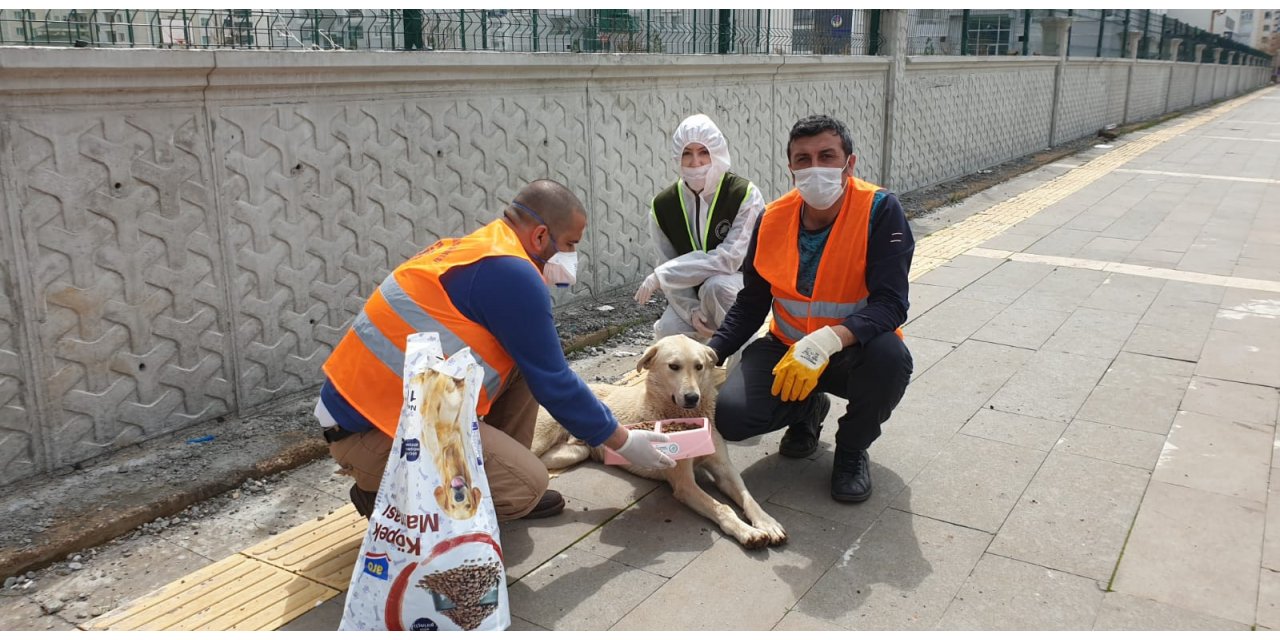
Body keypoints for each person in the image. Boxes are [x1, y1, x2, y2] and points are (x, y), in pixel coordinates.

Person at [316, 180, 676, 521]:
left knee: (523, 364)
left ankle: (503, 472)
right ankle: (394, 492)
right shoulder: (514, 274)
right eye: (570, 244)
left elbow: (541, 367)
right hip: (372, 435)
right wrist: (623, 441)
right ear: (540, 236)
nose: (572, 256)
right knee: (528, 486)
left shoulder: (485, 248)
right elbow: (556, 384)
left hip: (380, 414)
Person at [707, 115, 914, 504]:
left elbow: (891, 304)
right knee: (732, 418)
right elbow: (752, 302)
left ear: (849, 164)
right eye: (803, 159)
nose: (815, 167)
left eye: (827, 156)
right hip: (786, 348)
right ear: (791, 168)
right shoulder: (771, 219)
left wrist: (828, 341)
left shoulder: (880, 210)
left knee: (891, 358)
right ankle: (808, 410)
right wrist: (709, 352)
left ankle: (851, 451)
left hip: (852, 351)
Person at [634, 114, 766, 342]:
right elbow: (667, 261)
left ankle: (743, 358)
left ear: (717, 151)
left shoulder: (744, 195)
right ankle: (699, 358)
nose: (695, 162)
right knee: (668, 330)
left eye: (704, 152)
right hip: (695, 296)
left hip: (738, 287)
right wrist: (691, 310)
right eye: (687, 153)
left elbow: (729, 259)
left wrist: (662, 274)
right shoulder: (663, 206)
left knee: (716, 287)